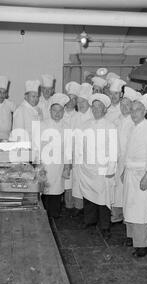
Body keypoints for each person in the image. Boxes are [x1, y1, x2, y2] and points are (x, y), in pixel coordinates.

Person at [123, 94, 147, 257]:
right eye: (132, 110)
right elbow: (129, 153)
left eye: (137, 110)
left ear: (144, 111)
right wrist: (125, 170)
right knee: (130, 206)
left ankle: (143, 245)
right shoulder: (133, 126)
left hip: (142, 174)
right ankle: (132, 237)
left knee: (140, 210)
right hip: (131, 172)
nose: (134, 113)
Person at [79, 93, 117, 239]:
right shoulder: (85, 125)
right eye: (93, 107)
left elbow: (113, 150)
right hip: (87, 167)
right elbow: (80, 145)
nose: (95, 110)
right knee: (88, 196)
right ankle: (89, 221)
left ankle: (105, 226)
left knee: (103, 198)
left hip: (103, 168)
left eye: (99, 107)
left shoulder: (110, 126)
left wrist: (111, 169)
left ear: (105, 110)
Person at [111, 87, 140, 224]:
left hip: (127, 160)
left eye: (127, 105)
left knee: (125, 189)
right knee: (117, 188)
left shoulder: (133, 123)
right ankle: (117, 214)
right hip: (117, 159)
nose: (123, 107)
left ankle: (124, 216)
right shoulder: (119, 119)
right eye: (122, 104)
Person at [39, 93, 69, 219]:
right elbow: (36, 147)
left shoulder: (66, 126)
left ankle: (54, 217)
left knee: (56, 192)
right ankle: (42, 218)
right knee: (43, 191)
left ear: (63, 111)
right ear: (50, 110)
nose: (57, 113)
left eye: (60, 110)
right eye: (54, 110)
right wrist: (38, 165)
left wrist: (67, 167)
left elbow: (68, 149)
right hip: (44, 164)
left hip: (58, 165)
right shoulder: (42, 125)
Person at [68, 83, 94, 215]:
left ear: (89, 102)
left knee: (89, 184)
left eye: (83, 101)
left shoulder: (94, 116)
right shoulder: (74, 117)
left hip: (90, 157)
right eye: (79, 102)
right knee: (77, 182)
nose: (81, 104)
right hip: (77, 156)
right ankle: (78, 208)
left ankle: (89, 211)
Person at [63, 81, 81, 211]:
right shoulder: (59, 113)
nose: (71, 101)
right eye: (69, 98)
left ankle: (72, 205)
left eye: (74, 99)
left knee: (73, 179)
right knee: (61, 179)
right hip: (60, 151)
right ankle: (63, 203)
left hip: (75, 151)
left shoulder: (79, 116)